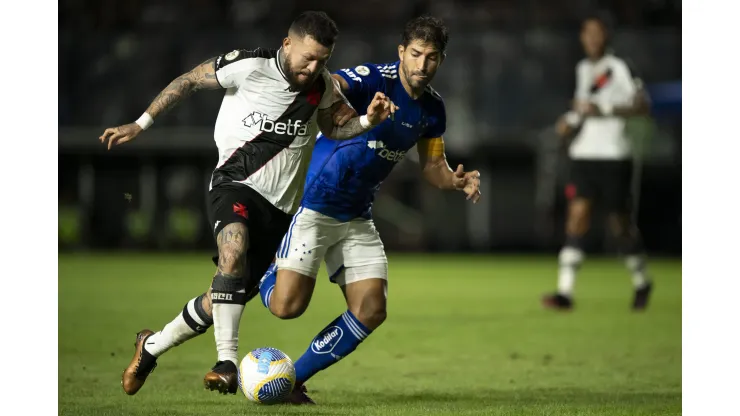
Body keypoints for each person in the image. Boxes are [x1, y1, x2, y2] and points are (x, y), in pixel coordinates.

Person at [99, 11, 398, 396]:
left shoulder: (322, 86)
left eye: (322, 60)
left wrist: (367, 121)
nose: (313, 67)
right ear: (287, 43)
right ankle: (226, 361)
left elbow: (335, 127)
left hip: (280, 212)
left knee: (220, 299)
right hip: (234, 184)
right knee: (232, 247)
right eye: (308, 57)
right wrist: (140, 124)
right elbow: (188, 81)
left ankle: (151, 346)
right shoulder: (250, 65)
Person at [256, 15, 481, 404]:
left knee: (371, 309)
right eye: (415, 54)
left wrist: (455, 181)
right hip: (314, 205)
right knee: (286, 307)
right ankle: (257, 268)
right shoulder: (375, 79)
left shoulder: (432, 110)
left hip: (357, 215)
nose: (421, 65)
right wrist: (346, 105)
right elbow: (331, 83)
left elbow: (433, 168)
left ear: (441, 60)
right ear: (401, 52)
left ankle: (293, 380)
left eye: (431, 57)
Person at [542, 15, 652, 311]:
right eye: (587, 33)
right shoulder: (584, 69)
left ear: (606, 36)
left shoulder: (619, 67)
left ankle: (642, 280)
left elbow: (642, 105)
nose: (591, 38)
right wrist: (568, 121)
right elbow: (582, 107)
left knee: (620, 225)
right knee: (577, 216)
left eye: (597, 33)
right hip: (584, 155)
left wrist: (602, 108)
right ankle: (565, 293)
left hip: (614, 155)